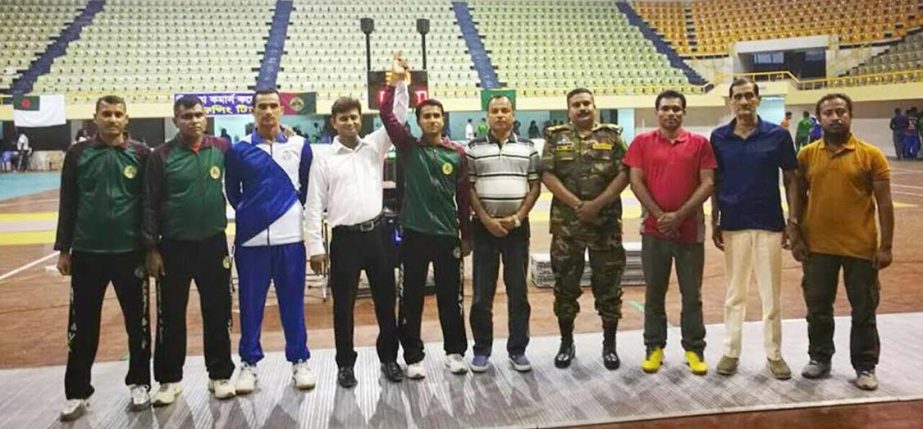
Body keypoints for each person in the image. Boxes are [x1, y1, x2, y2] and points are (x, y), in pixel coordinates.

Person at [305, 55, 410, 388]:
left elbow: (399, 116)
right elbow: (313, 206)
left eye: (354, 117)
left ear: (359, 121)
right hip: (345, 241)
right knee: (343, 307)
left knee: (385, 301)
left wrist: (400, 83)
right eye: (343, 118)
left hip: (377, 234)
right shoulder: (323, 161)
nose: (350, 123)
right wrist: (316, 248)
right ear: (333, 122)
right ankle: (345, 365)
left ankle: (389, 358)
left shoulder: (375, 146)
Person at [55, 95, 152, 421]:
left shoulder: (141, 154)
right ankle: (77, 392)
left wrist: (152, 248)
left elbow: (149, 206)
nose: (112, 119)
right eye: (106, 114)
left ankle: (140, 382)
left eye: (118, 114)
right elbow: (67, 202)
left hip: (130, 254)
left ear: (127, 119)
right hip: (87, 254)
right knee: (82, 328)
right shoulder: (78, 154)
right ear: (95, 118)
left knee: (137, 324)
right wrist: (64, 249)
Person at [788, 93, 894, 391]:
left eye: (840, 112)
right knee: (818, 308)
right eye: (828, 113)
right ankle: (820, 358)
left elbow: (884, 204)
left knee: (864, 310)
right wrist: (795, 234)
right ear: (818, 118)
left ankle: (865, 366)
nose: (835, 117)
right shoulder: (807, 155)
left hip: (861, 249)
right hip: (817, 248)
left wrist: (886, 246)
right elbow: (797, 198)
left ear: (850, 115)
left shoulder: (871, 155)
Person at [142, 96, 236, 406]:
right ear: (175, 119)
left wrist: (284, 133)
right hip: (173, 247)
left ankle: (220, 375)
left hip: (213, 243)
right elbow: (149, 205)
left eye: (198, 114)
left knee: (218, 310)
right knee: (170, 315)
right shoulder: (161, 155)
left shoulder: (222, 148)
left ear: (205, 118)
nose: (193, 120)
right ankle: (169, 380)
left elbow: (251, 156)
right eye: (186, 116)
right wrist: (151, 248)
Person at [380, 77, 472, 379]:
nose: (432, 120)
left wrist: (466, 234)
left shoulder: (456, 154)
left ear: (443, 120)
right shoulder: (408, 148)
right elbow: (387, 116)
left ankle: (455, 352)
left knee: (451, 297)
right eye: (426, 116)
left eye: (436, 115)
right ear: (418, 122)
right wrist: (393, 84)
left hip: (447, 237)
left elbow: (464, 198)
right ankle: (413, 355)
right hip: (414, 236)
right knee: (410, 297)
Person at [224, 88, 315, 394]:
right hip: (251, 243)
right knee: (250, 307)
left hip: (290, 240)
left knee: (293, 305)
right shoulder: (238, 151)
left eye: (273, 106)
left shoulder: (301, 146)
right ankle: (249, 364)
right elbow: (233, 192)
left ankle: (300, 360)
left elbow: (306, 189)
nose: (267, 112)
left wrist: (290, 212)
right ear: (253, 111)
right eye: (261, 106)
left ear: (281, 110)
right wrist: (253, 214)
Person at [624, 89, 716, 376]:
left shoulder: (700, 144)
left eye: (676, 108)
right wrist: (660, 215)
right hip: (653, 232)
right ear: (657, 112)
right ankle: (654, 348)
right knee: (654, 294)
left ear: (684, 112)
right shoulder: (641, 143)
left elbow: (708, 183)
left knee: (692, 296)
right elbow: (635, 181)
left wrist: (679, 216)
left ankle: (694, 349)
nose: (671, 113)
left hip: (690, 233)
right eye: (665, 109)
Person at [710, 78, 796, 380]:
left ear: (758, 99)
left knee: (771, 294)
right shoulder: (719, 137)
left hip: (770, 223)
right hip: (733, 223)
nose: (743, 102)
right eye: (738, 97)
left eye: (749, 96)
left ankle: (774, 354)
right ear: (730, 102)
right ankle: (731, 352)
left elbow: (790, 179)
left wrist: (793, 219)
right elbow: (716, 182)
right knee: (735, 294)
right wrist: (714, 219)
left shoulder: (777, 136)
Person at [541, 88, 629, 370]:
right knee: (565, 287)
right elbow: (547, 174)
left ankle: (610, 345)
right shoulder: (556, 137)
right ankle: (567, 343)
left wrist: (598, 204)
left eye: (586, 104)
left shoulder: (612, 136)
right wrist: (579, 205)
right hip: (568, 228)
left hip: (606, 226)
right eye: (576, 105)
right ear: (568, 110)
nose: (582, 109)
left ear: (595, 106)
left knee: (609, 287)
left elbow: (625, 173)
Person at [466, 95, 541, 373]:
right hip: (484, 230)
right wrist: (485, 219)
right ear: (487, 116)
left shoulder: (529, 148)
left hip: (517, 231)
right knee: (482, 295)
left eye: (505, 111)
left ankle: (517, 349)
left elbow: (535, 187)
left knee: (518, 293)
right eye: (494, 111)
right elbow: (469, 189)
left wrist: (517, 218)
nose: (500, 115)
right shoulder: (473, 150)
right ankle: (482, 350)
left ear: (513, 115)